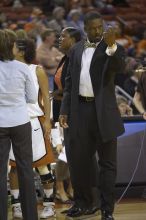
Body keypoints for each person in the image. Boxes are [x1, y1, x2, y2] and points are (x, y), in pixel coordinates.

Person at [59, 11, 125, 220]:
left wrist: (112, 47)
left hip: (104, 113)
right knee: (79, 162)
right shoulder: (76, 49)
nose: (97, 31)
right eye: (93, 28)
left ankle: (107, 210)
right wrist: (64, 111)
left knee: (107, 165)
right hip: (80, 111)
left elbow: (119, 68)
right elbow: (69, 83)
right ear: (85, 28)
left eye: (100, 27)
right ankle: (83, 203)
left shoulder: (113, 48)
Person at [9, 37, 55, 219]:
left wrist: (48, 121)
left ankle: (49, 204)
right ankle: (16, 206)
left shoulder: (37, 70)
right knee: (14, 167)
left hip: (34, 119)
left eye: (13, 46)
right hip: (13, 121)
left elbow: (46, 96)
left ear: (21, 51)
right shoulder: (6, 69)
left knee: (42, 165)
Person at [0, 29, 38, 220]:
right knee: (25, 170)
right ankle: (31, 216)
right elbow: (32, 98)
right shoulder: (23, 68)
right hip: (21, 122)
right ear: (11, 46)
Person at [52, 27, 82, 203]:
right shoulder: (65, 58)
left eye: (63, 36)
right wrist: (57, 94)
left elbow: (76, 89)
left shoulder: (76, 58)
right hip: (60, 110)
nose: (59, 38)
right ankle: (61, 189)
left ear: (74, 40)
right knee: (63, 153)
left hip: (72, 113)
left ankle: (73, 189)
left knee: (70, 154)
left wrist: (59, 94)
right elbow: (65, 86)